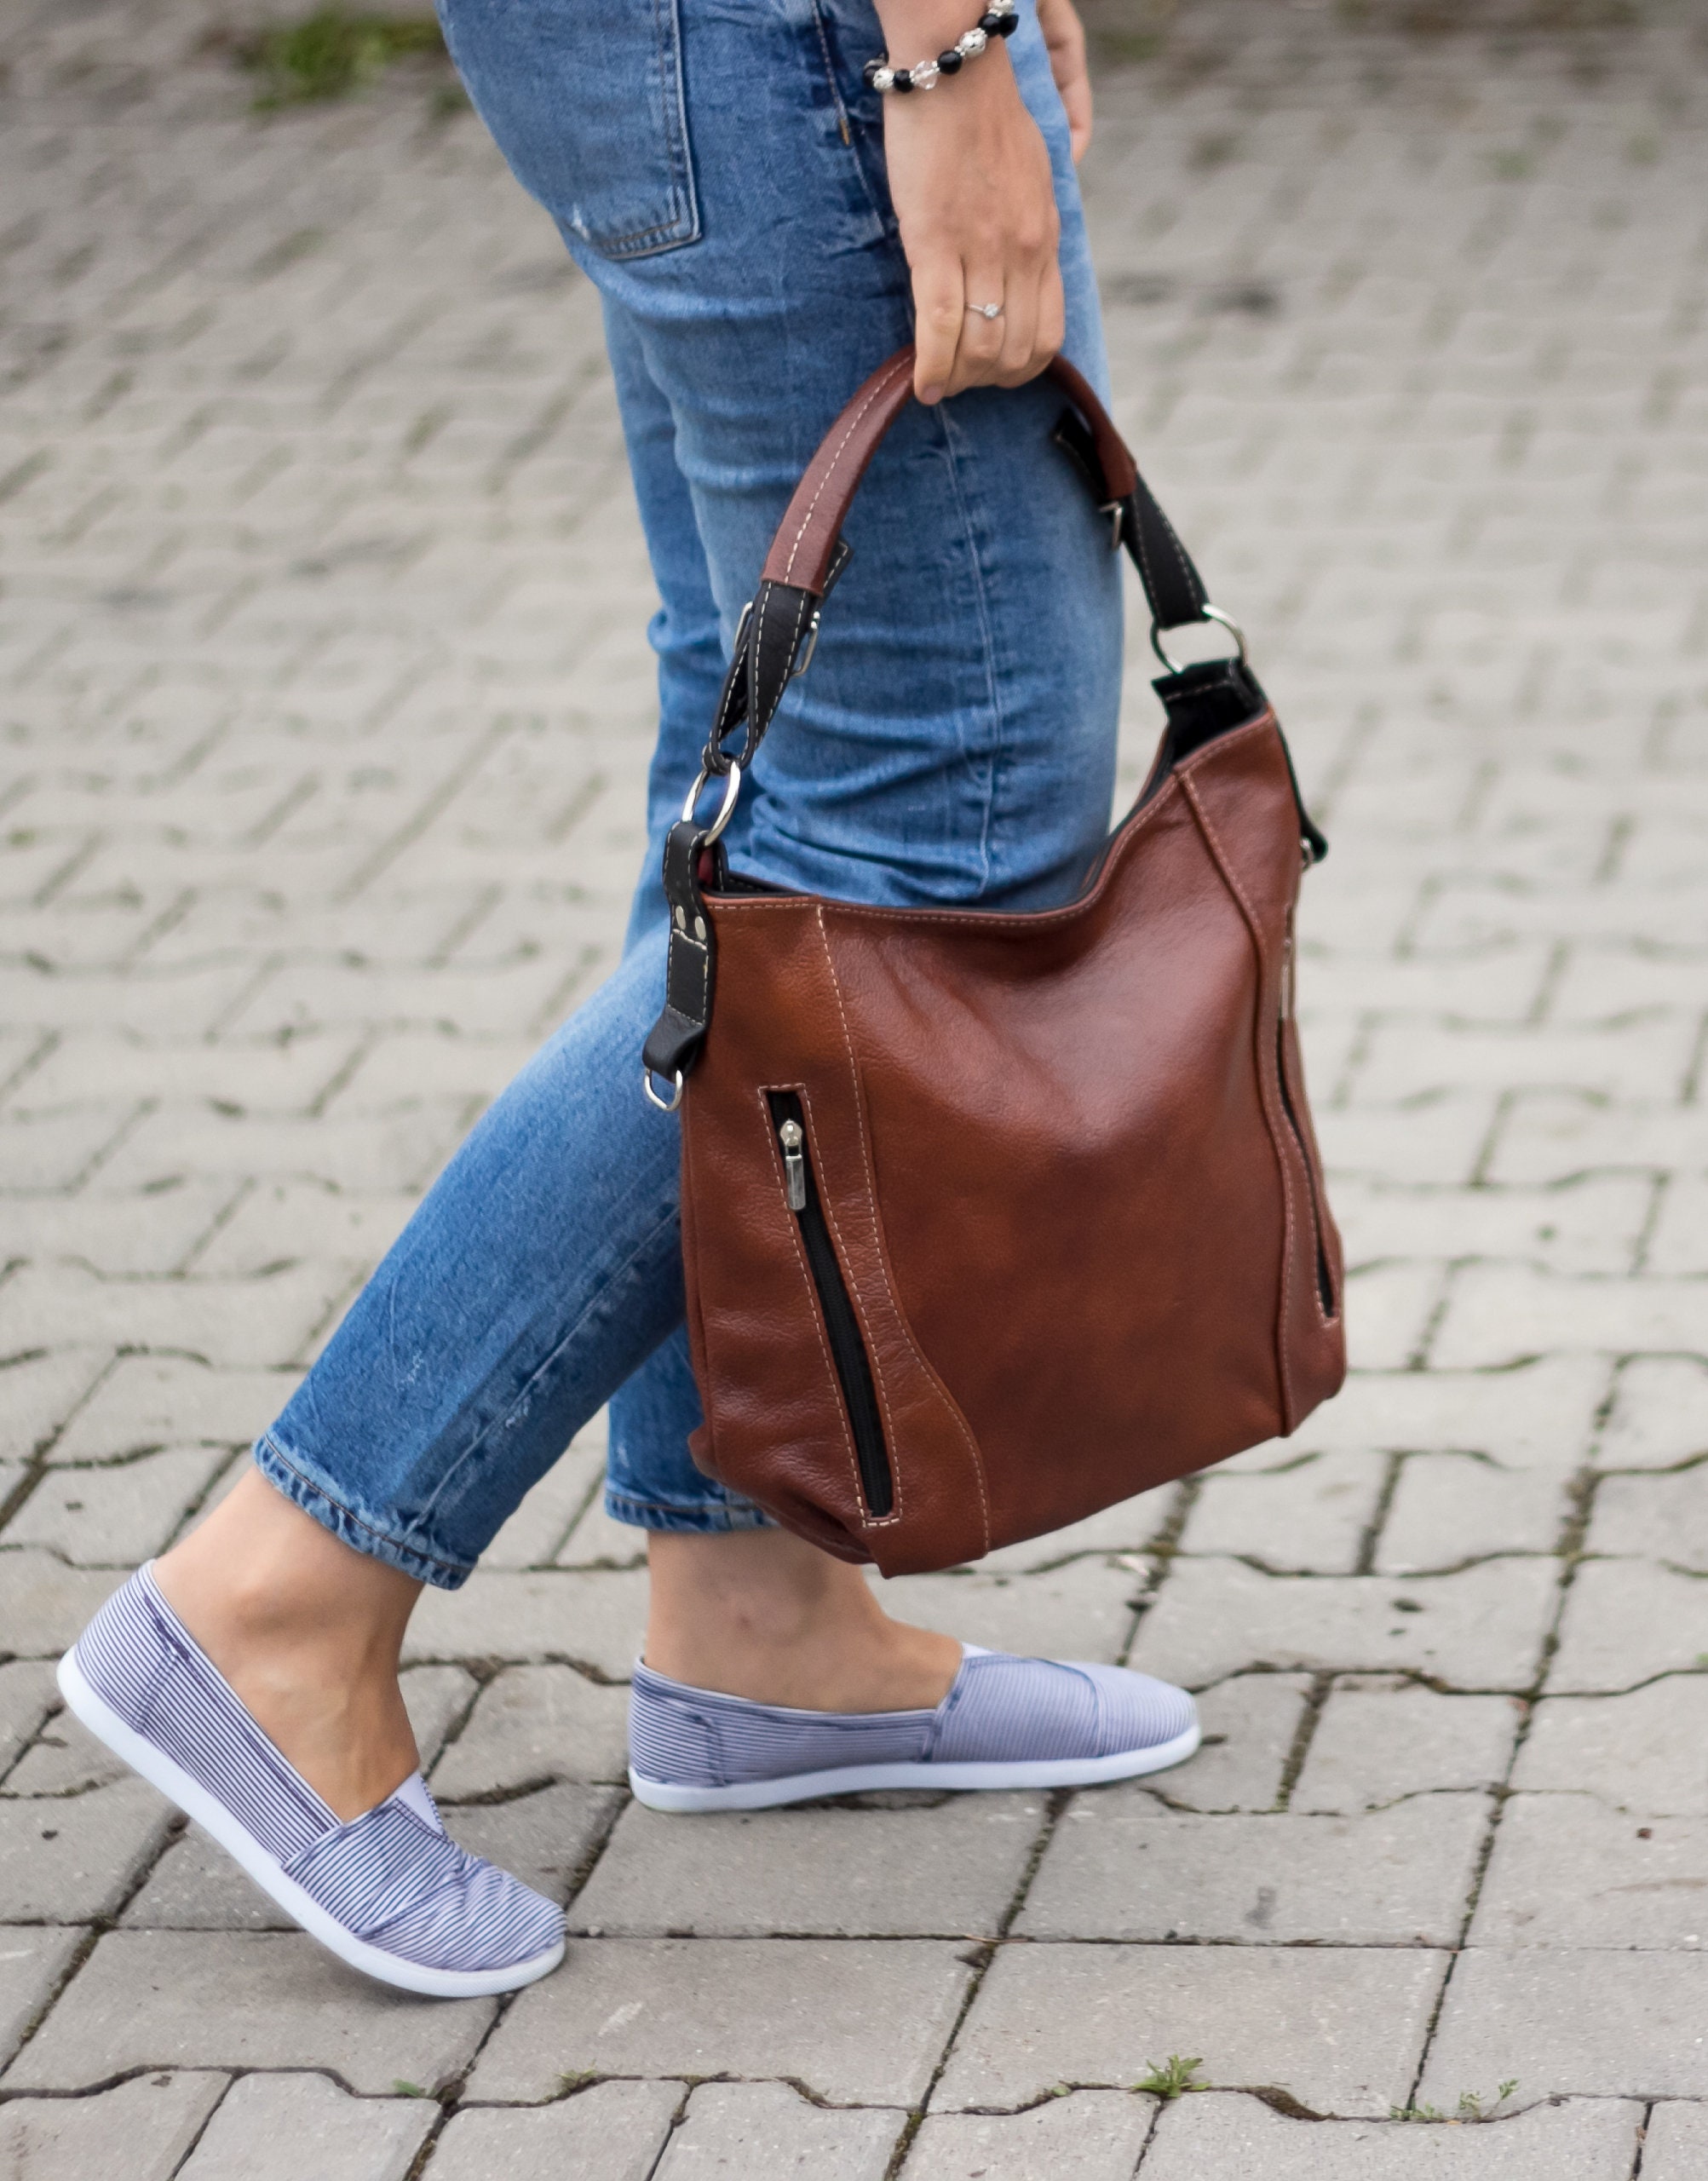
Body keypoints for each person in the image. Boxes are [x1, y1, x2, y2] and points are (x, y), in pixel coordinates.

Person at [58, 0, 1200, 1999]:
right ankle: (281, 1595)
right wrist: (940, 45)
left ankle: (755, 1606)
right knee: (933, 820)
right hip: (794, 38)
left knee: (762, 749)